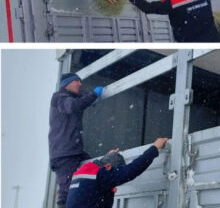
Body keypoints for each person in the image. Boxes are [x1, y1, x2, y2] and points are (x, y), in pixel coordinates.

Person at [49, 73, 104, 208]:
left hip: (72, 151)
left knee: (93, 171)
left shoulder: (68, 96)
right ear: (67, 84)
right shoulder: (59, 97)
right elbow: (73, 105)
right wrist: (93, 96)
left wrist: (89, 97)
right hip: (65, 154)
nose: (80, 84)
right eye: (77, 81)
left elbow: (78, 98)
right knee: (70, 191)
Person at [66, 137, 169, 208]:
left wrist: (108, 157)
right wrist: (154, 148)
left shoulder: (82, 173)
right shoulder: (101, 176)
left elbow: (99, 165)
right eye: (114, 171)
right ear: (108, 166)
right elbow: (131, 170)